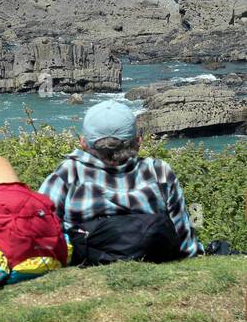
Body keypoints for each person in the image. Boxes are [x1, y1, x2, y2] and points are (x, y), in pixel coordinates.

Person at [37, 99, 202, 263]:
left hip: (87, 263)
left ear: (83, 143)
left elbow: (40, 228)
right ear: (138, 142)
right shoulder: (159, 171)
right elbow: (185, 240)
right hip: (154, 260)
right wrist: (194, 251)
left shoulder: (69, 173)